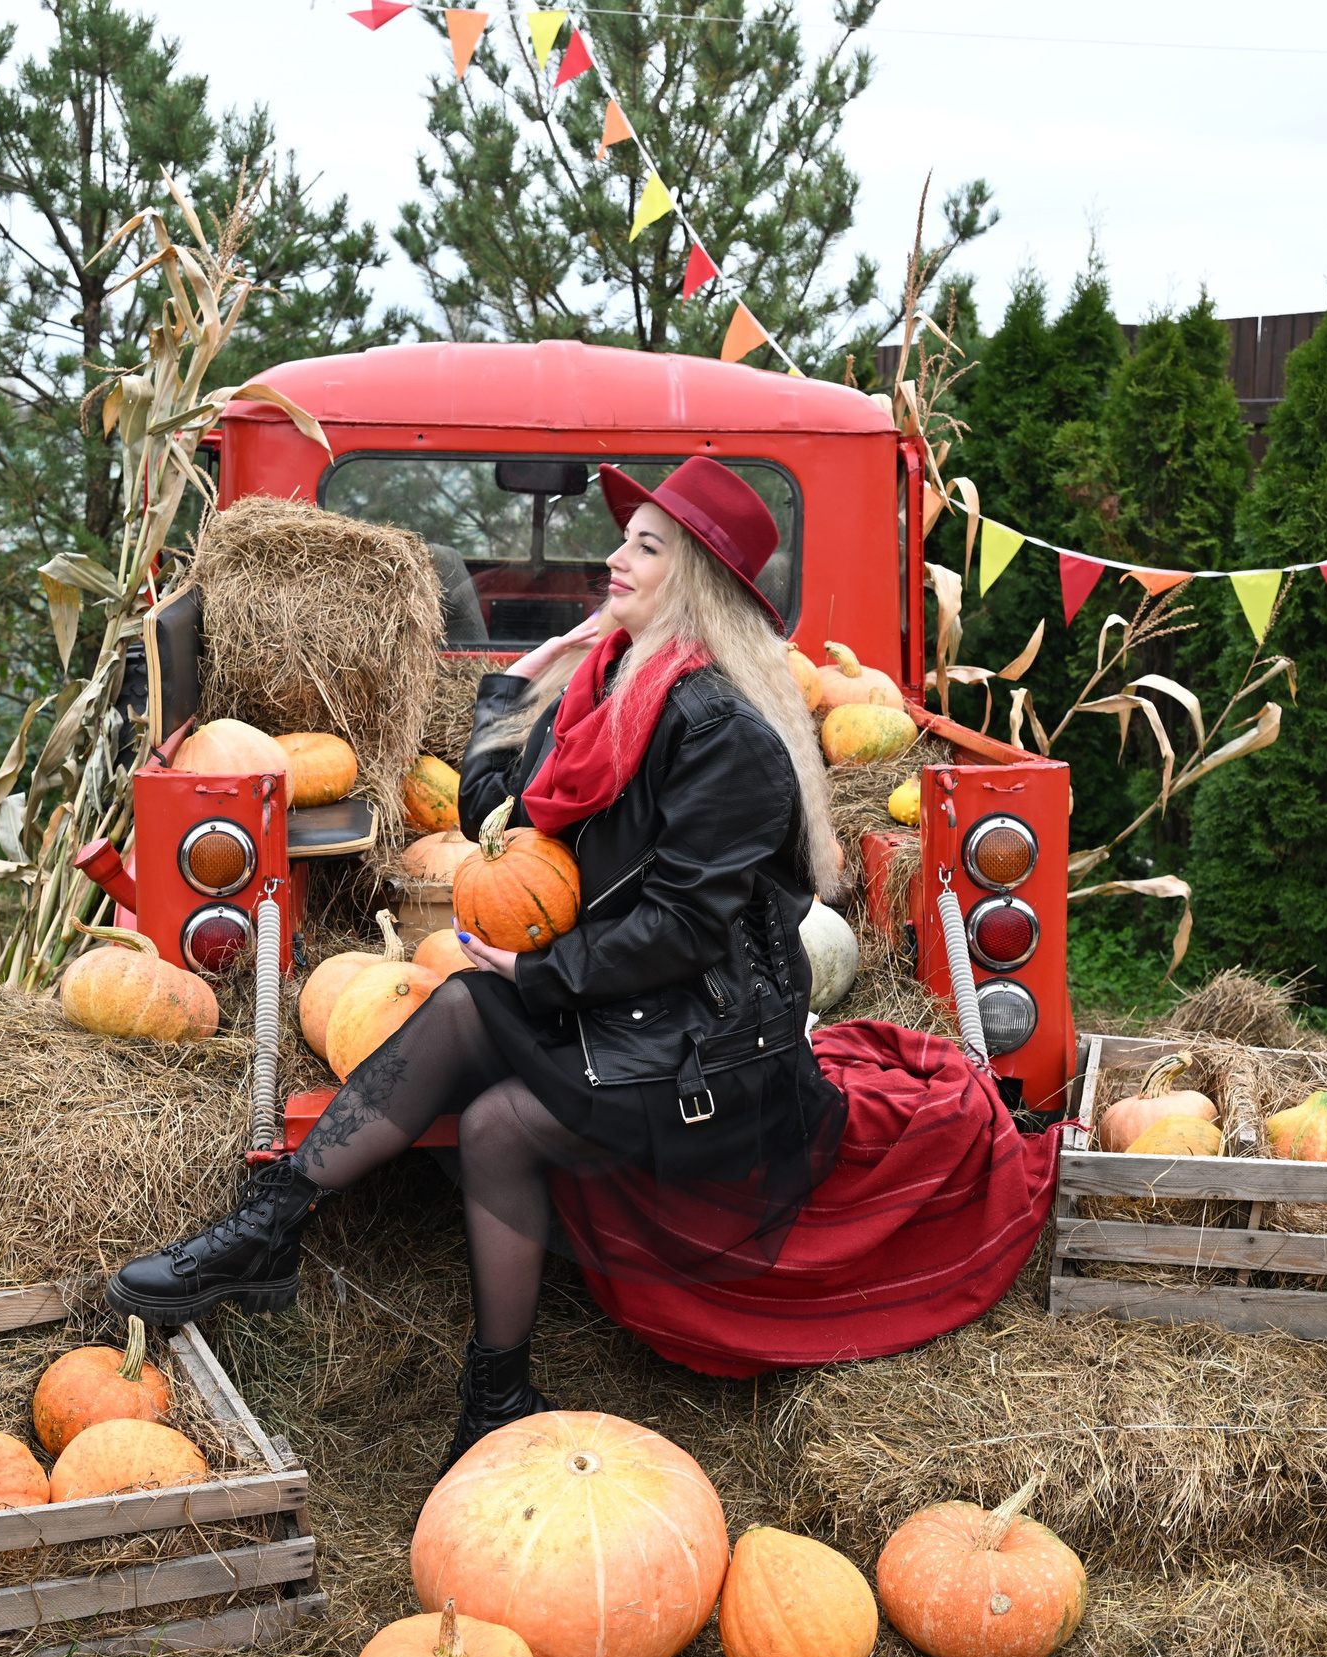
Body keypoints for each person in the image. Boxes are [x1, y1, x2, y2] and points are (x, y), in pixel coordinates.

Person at [108, 456, 847, 1472]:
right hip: (629, 1004)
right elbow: (486, 817)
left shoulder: (722, 732)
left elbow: (683, 929)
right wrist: (520, 684)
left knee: (495, 1102)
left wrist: (535, 974)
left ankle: (428, 1341)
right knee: (462, 1013)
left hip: (709, 1042)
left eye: (645, 546)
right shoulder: (604, 690)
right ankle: (293, 1240)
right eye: (624, 538)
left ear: (700, 579)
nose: (612, 557)